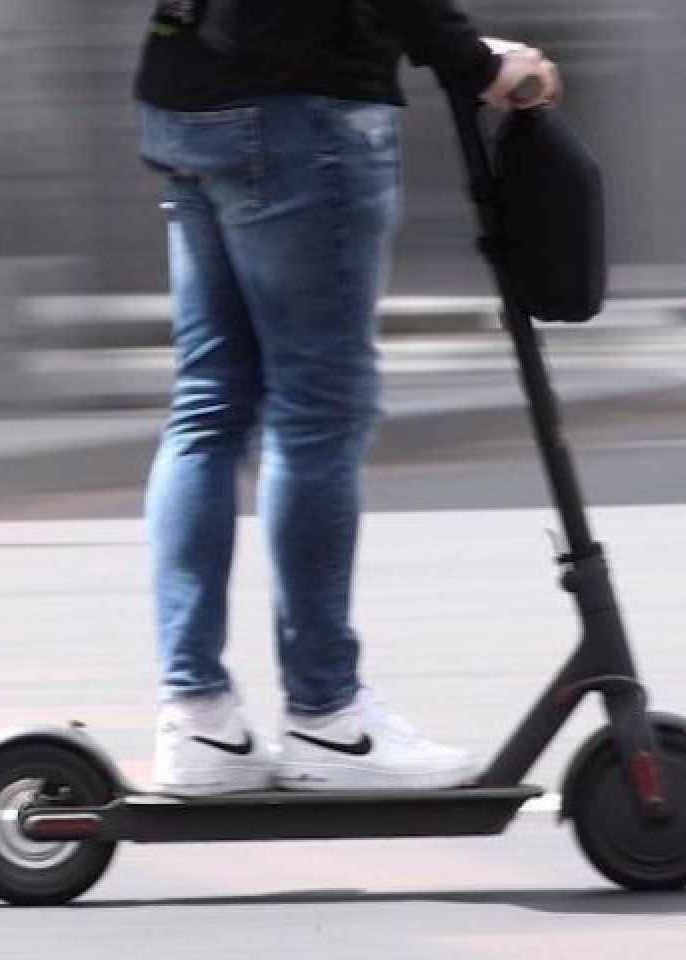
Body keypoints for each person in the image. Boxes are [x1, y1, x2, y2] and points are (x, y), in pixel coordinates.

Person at [133, 0, 561, 795]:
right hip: (300, 107)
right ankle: (328, 718)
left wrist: (458, 48)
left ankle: (197, 719)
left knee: (207, 407)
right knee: (317, 410)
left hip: (187, 90)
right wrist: (473, 62)